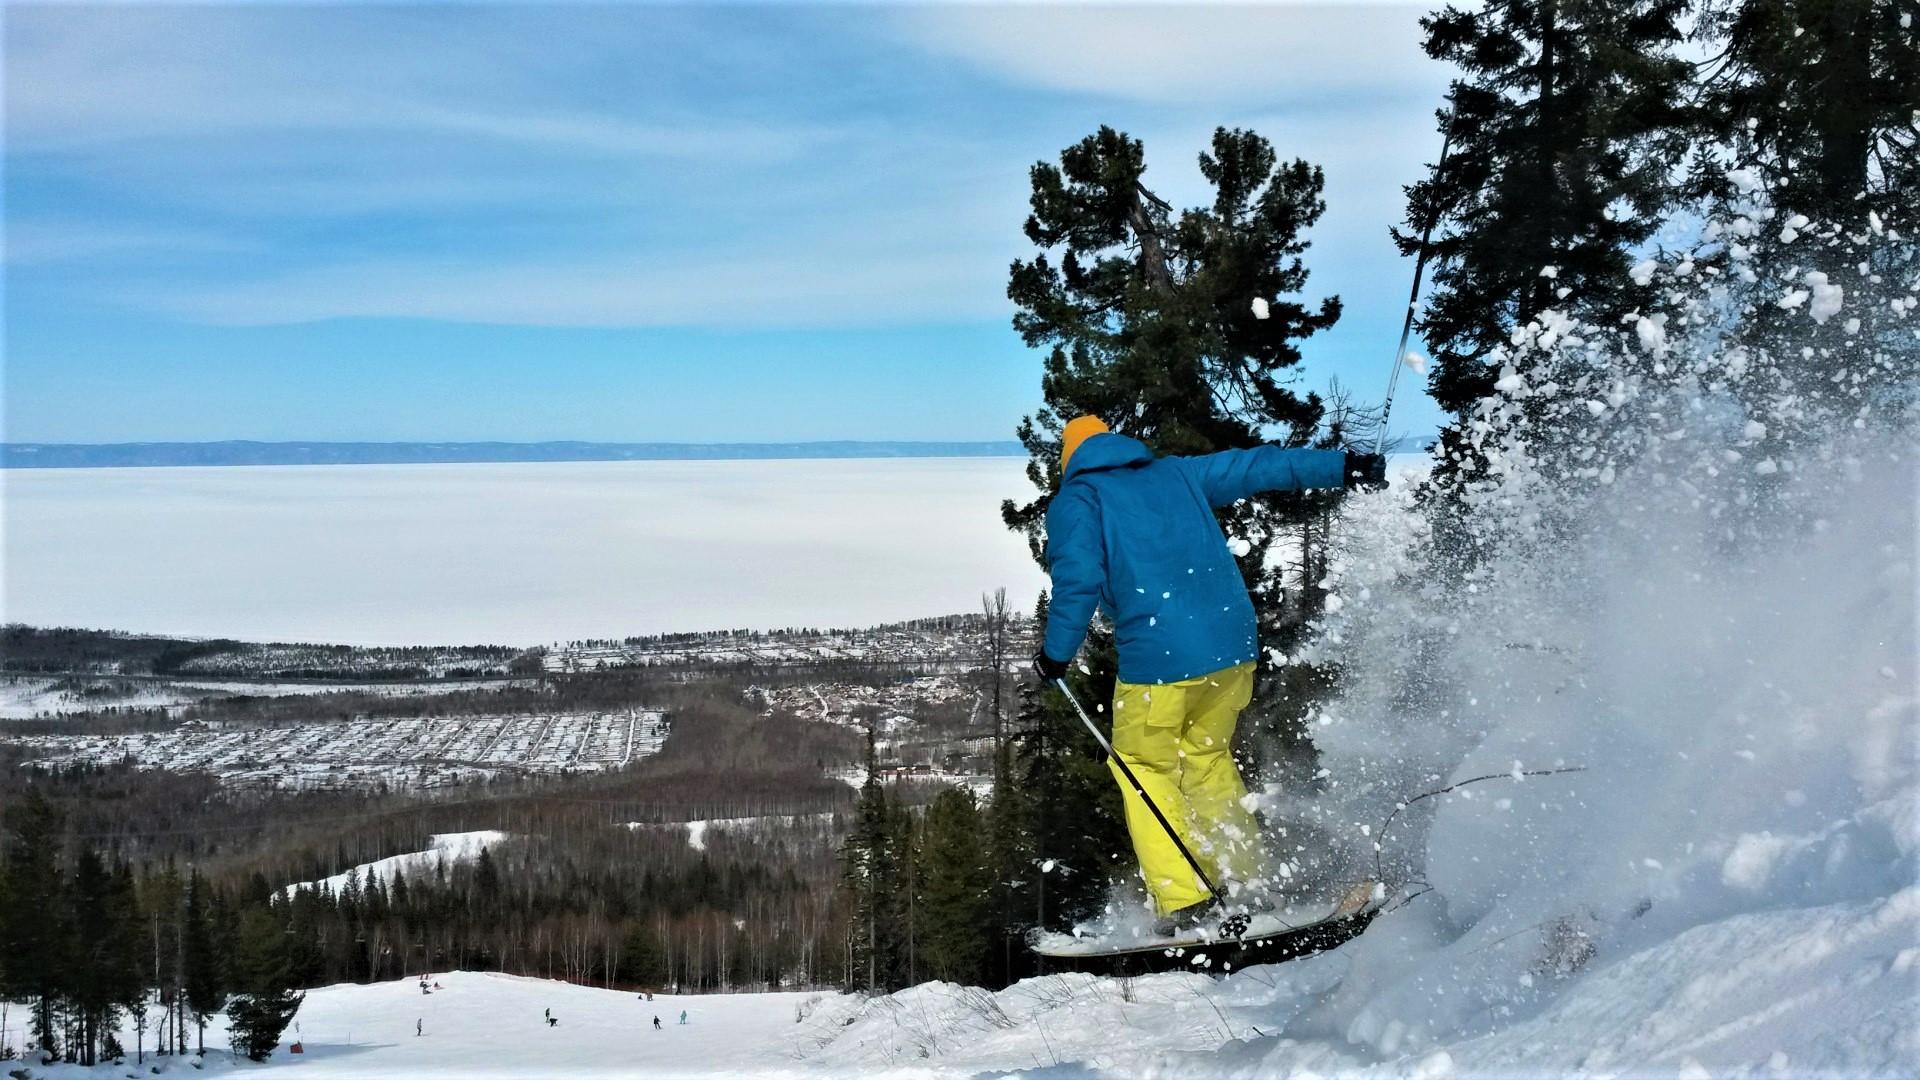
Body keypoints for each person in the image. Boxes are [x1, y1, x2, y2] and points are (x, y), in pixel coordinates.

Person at [1032, 415, 1385, 935]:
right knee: (1206, 759)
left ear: (1070, 459)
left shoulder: (1078, 501)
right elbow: (1256, 465)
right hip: (1231, 645)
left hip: (1160, 659)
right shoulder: (1175, 473)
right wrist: (1343, 467)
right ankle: (1249, 877)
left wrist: (1055, 653)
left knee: (1142, 766)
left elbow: (1079, 578)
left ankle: (1185, 897)